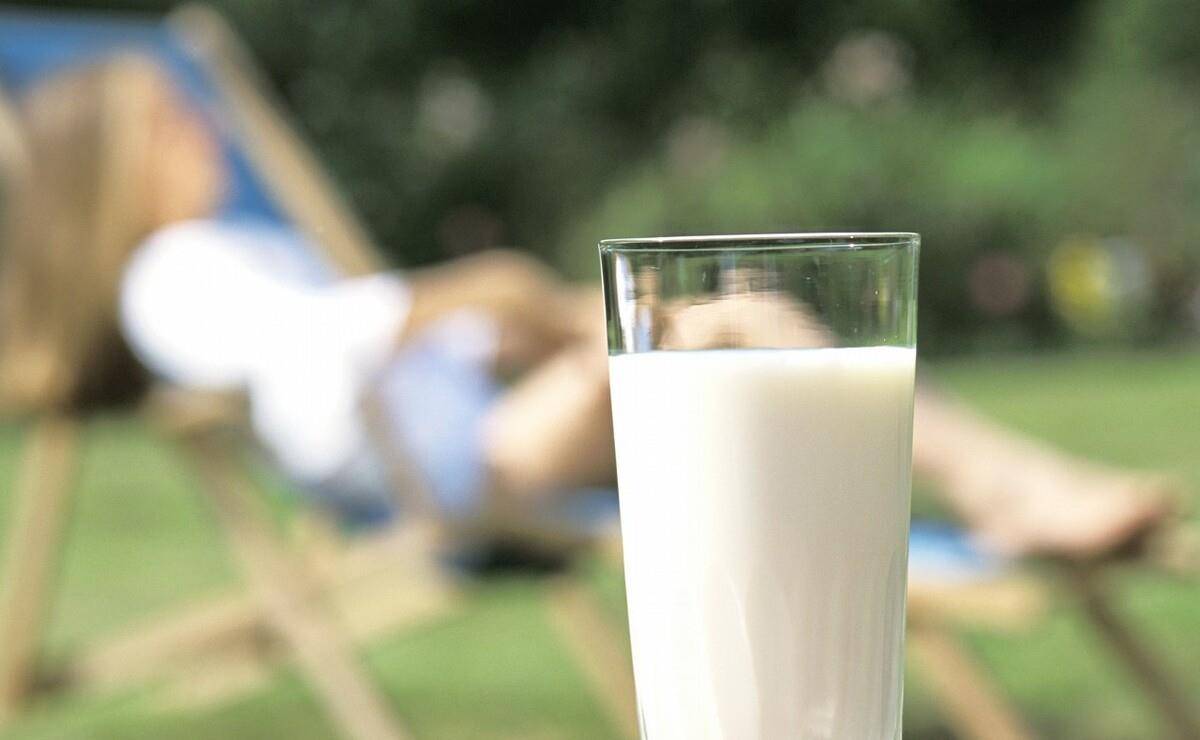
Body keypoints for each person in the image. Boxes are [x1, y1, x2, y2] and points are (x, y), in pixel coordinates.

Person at [0, 55, 1176, 559]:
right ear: (109, 175)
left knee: (731, 331)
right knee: (747, 320)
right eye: (170, 122)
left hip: (472, 431)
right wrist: (476, 291)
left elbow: (350, 344)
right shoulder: (172, 275)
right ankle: (1000, 483)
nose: (202, 126)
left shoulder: (223, 253)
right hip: (466, 470)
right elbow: (310, 362)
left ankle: (979, 487)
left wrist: (482, 320)